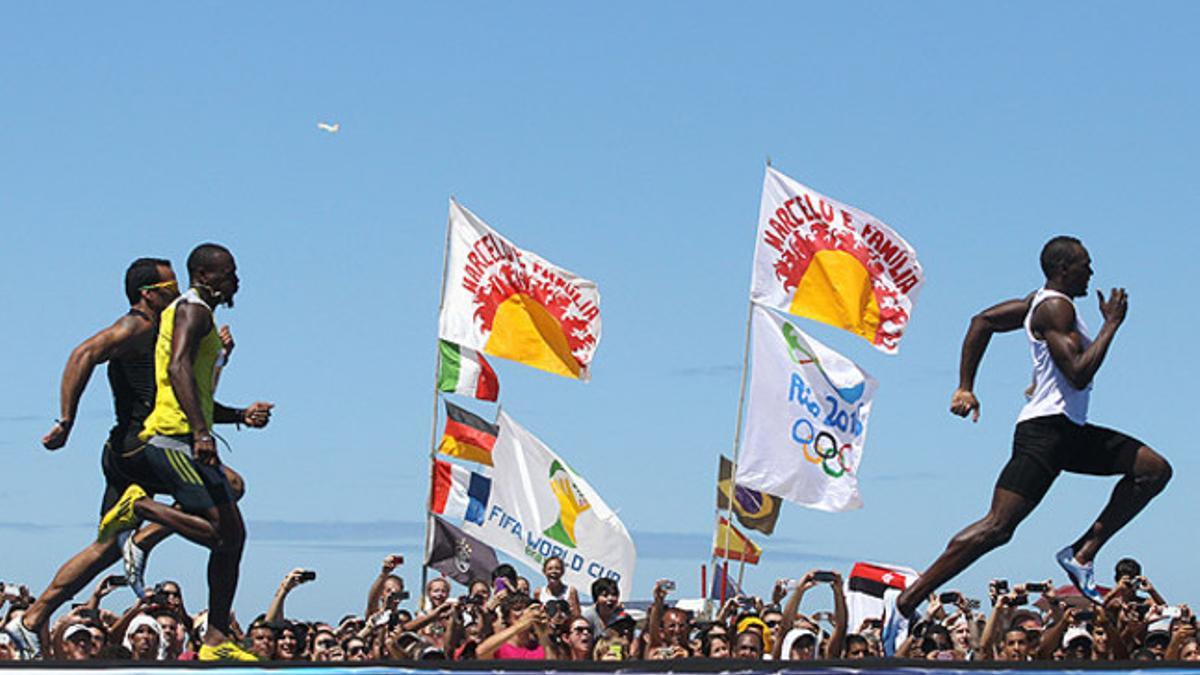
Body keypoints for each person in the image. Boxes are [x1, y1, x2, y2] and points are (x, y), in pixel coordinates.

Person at [882, 236, 1172, 654]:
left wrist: (970, 386)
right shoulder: (1056, 307)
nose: (1092, 271)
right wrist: (1111, 325)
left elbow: (983, 321)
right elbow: (1076, 371)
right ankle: (906, 602)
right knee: (997, 527)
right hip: (1045, 434)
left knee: (1154, 469)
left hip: (1068, 430)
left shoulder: (1037, 302)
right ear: (1063, 268)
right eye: (1085, 265)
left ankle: (1082, 553)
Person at [4, 258, 199, 659]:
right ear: (148, 294)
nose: (178, 293)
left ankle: (31, 620)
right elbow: (83, 353)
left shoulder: (162, 332)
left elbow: (180, 396)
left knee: (107, 546)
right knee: (222, 491)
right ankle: (141, 538)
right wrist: (66, 420)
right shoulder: (136, 326)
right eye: (171, 285)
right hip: (140, 449)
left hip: (132, 449)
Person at [101, 243, 274, 661]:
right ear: (204, 275)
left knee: (233, 536)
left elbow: (191, 385)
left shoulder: (203, 315)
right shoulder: (193, 310)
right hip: (172, 439)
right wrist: (201, 433)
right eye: (228, 273)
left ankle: (216, 639)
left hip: (185, 435)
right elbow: (177, 368)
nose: (236, 280)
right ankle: (139, 505)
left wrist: (236, 416)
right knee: (220, 535)